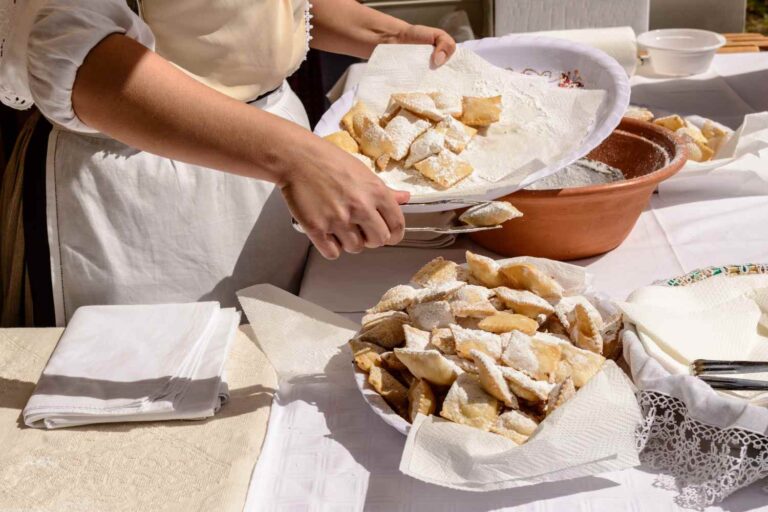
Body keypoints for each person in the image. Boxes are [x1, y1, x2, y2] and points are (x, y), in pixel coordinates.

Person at [0, 0, 456, 326]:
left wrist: (390, 37)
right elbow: (78, 56)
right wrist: (297, 158)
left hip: (273, 165)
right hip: (142, 194)